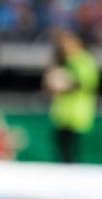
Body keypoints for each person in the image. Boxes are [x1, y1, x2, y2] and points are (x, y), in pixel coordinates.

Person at [42, 28, 99, 163]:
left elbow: (85, 83)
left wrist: (63, 83)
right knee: (62, 155)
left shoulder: (84, 60)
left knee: (75, 156)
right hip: (61, 115)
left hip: (78, 116)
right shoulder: (61, 61)